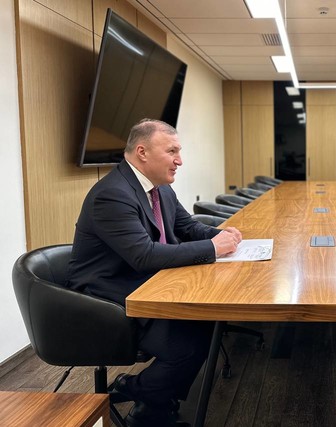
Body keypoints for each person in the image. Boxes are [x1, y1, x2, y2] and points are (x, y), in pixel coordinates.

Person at [66, 118, 242, 427]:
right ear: (142, 152)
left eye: (179, 151)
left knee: (206, 325)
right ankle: (138, 391)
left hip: (149, 285)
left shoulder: (160, 190)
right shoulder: (112, 194)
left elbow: (188, 227)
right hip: (107, 298)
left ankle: (150, 406)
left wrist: (225, 236)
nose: (180, 160)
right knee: (187, 345)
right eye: (172, 151)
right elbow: (144, 255)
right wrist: (213, 248)